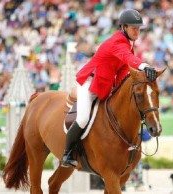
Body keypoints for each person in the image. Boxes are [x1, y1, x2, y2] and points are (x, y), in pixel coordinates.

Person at [61, 9, 157, 167]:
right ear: (124, 27)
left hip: (105, 86)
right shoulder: (117, 42)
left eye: (139, 28)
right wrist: (145, 65)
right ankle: (67, 154)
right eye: (134, 28)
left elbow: (124, 70)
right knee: (83, 117)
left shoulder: (127, 44)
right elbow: (128, 59)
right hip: (91, 83)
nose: (137, 31)